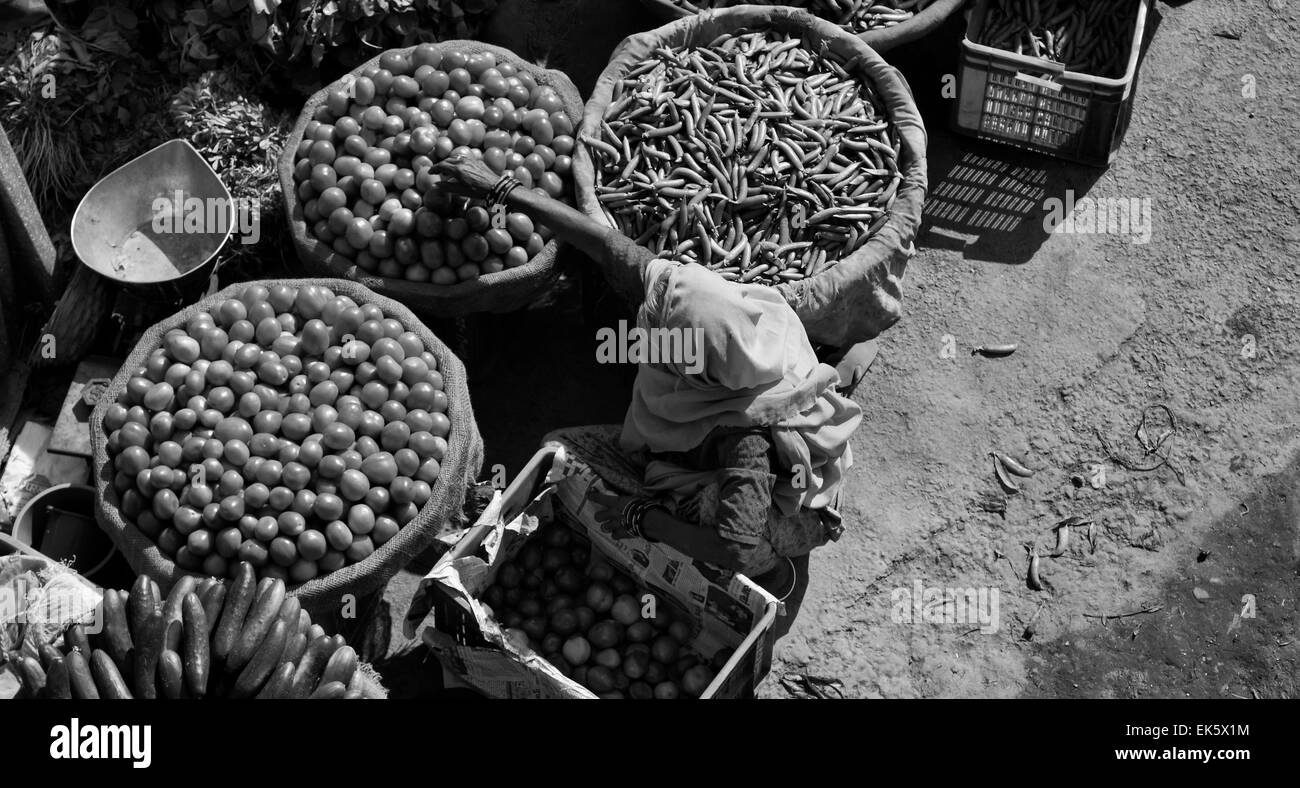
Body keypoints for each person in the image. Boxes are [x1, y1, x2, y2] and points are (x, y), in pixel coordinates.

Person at [434, 153, 865, 635]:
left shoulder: (748, 435)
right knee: (567, 452)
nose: (652, 340)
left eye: (671, 346)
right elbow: (604, 243)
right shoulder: (702, 300)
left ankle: (771, 561)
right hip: (740, 446)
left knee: (598, 469)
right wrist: (501, 189)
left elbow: (733, 545)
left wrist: (644, 519)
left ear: (701, 372)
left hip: (783, 509)